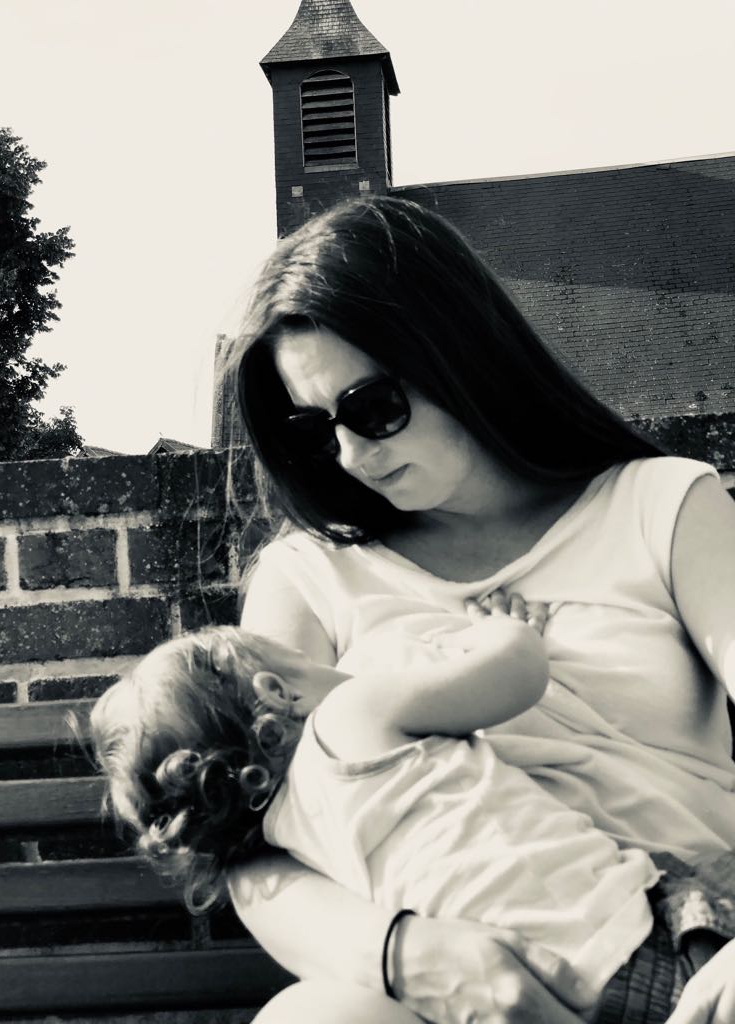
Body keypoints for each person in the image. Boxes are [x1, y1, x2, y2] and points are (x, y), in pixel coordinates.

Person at [219, 194, 735, 1024]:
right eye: (317, 430)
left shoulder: (663, 505)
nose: (352, 454)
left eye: (374, 408)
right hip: (460, 993)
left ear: (460, 354)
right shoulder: (308, 578)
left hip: (703, 954)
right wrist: (407, 957)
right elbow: (254, 855)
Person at [90, 610, 719, 1022]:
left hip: (535, 995)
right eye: (302, 662)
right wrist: (497, 629)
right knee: (695, 881)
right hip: (637, 940)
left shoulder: (292, 840)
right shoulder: (350, 716)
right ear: (278, 693)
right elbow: (518, 676)